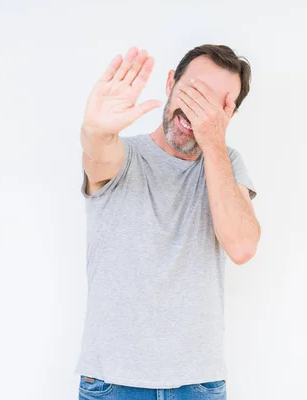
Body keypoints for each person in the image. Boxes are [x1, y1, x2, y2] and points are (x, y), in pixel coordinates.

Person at [74, 44, 261, 400]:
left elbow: (242, 246)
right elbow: (98, 154)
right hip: (112, 383)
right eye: (195, 92)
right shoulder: (124, 155)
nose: (198, 111)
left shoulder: (226, 163)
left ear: (229, 116)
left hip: (199, 384)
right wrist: (96, 130)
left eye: (216, 105)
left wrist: (214, 143)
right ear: (171, 82)